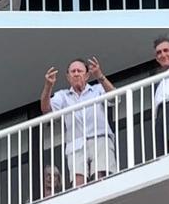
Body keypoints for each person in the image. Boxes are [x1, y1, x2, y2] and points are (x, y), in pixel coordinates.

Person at [40, 58, 118, 187]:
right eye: (73, 71)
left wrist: (100, 76)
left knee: (102, 178)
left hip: (99, 138)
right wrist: (48, 86)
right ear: (68, 76)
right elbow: (46, 110)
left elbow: (115, 98)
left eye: (79, 71)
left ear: (87, 75)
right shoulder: (62, 96)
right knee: (78, 183)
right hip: (76, 143)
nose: (76, 73)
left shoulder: (98, 89)